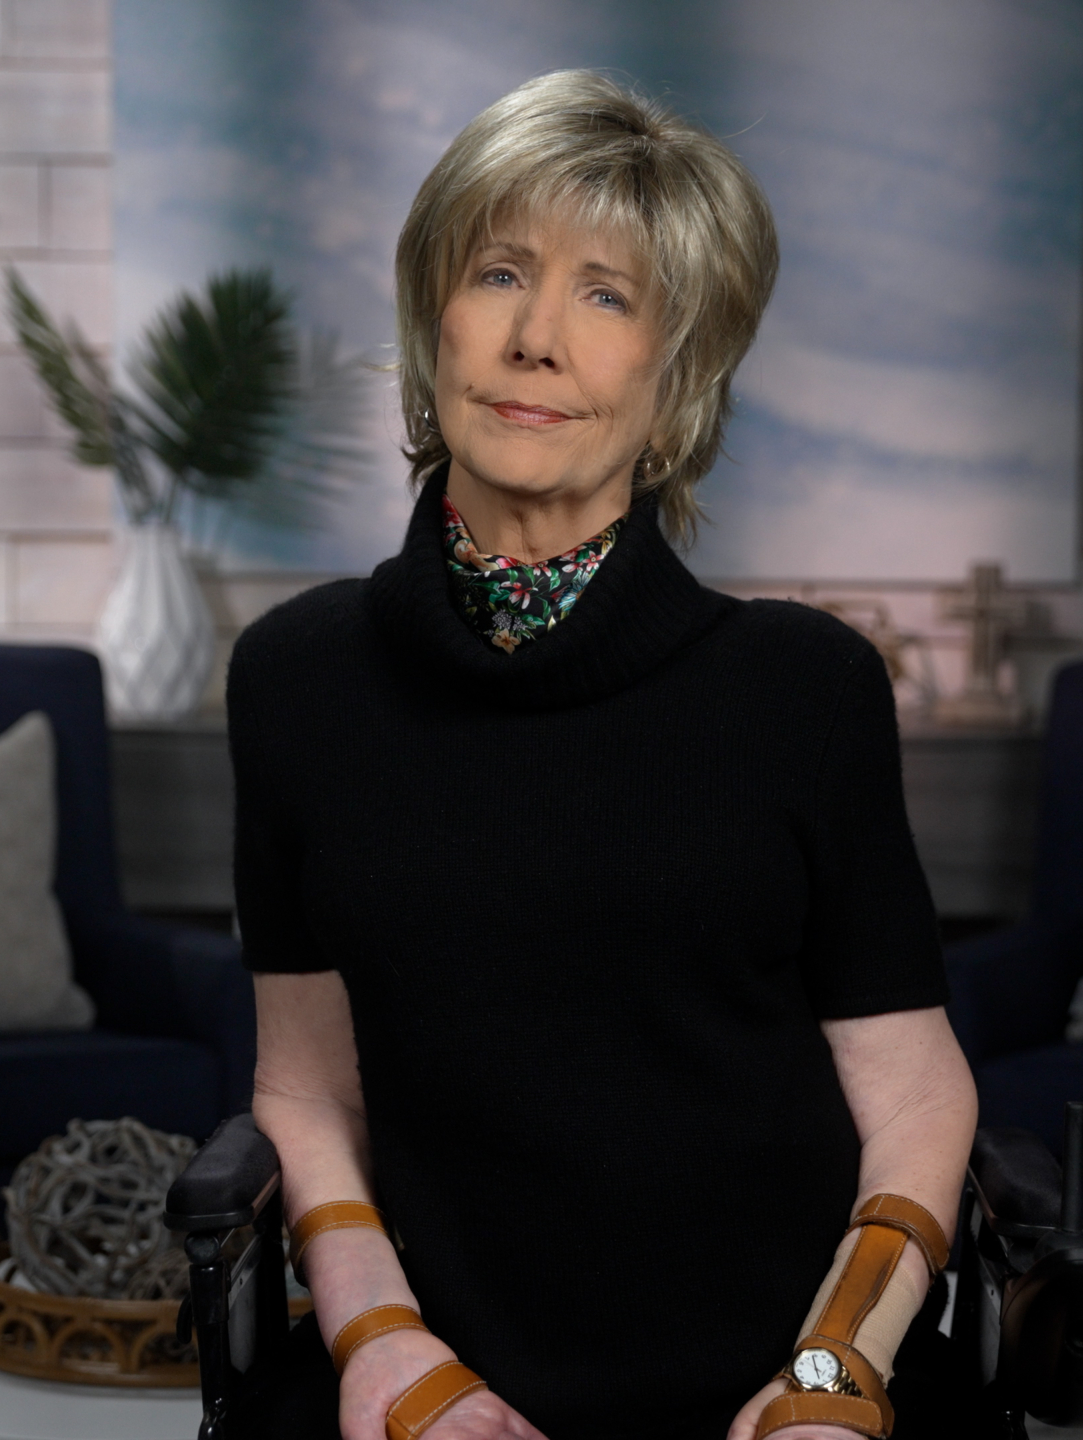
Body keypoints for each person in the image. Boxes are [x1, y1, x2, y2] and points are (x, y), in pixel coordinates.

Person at [228, 69, 978, 1440]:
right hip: (425, 1359)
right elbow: (306, 1084)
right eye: (500, 272)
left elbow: (918, 1088)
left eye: (608, 295)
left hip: (789, 1362)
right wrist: (384, 1346)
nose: (535, 340)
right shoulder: (294, 679)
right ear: (433, 319)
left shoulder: (805, 688)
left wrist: (834, 1372)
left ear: (679, 375)